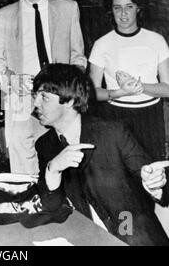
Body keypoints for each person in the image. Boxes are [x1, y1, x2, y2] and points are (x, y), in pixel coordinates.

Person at [33, 63, 169, 246]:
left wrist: (155, 184)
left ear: (71, 100)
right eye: (35, 96)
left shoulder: (113, 132)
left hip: (134, 238)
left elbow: (156, 182)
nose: (35, 104)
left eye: (44, 97)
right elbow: (51, 207)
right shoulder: (45, 145)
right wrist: (52, 170)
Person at [0, 0, 87, 175]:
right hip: (20, 99)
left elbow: (79, 57)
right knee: (23, 165)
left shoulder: (68, 8)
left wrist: (65, 87)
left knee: (66, 160)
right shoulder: (2, 17)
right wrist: (12, 82)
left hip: (60, 100)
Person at [89, 0, 169, 162]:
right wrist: (120, 93)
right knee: (121, 174)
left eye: (129, 7)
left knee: (152, 171)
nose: (123, 14)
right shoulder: (101, 44)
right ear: (111, 10)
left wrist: (138, 87)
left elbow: (167, 88)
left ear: (138, 9)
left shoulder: (156, 40)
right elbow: (92, 92)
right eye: (117, 8)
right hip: (115, 116)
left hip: (150, 117)